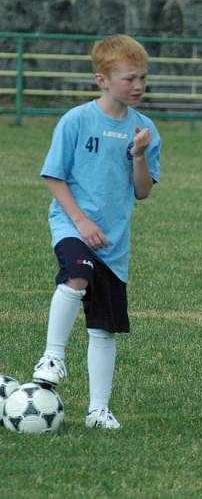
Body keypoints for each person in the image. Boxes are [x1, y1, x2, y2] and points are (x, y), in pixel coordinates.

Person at [32, 34, 161, 429]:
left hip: (114, 242)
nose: (137, 86)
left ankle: (98, 410)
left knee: (104, 329)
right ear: (101, 80)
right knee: (76, 276)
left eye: (142, 78)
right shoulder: (76, 120)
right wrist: (81, 221)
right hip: (72, 225)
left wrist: (138, 155)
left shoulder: (145, 130)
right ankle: (52, 355)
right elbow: (54, 176)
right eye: (129, 78)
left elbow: (142, 191)